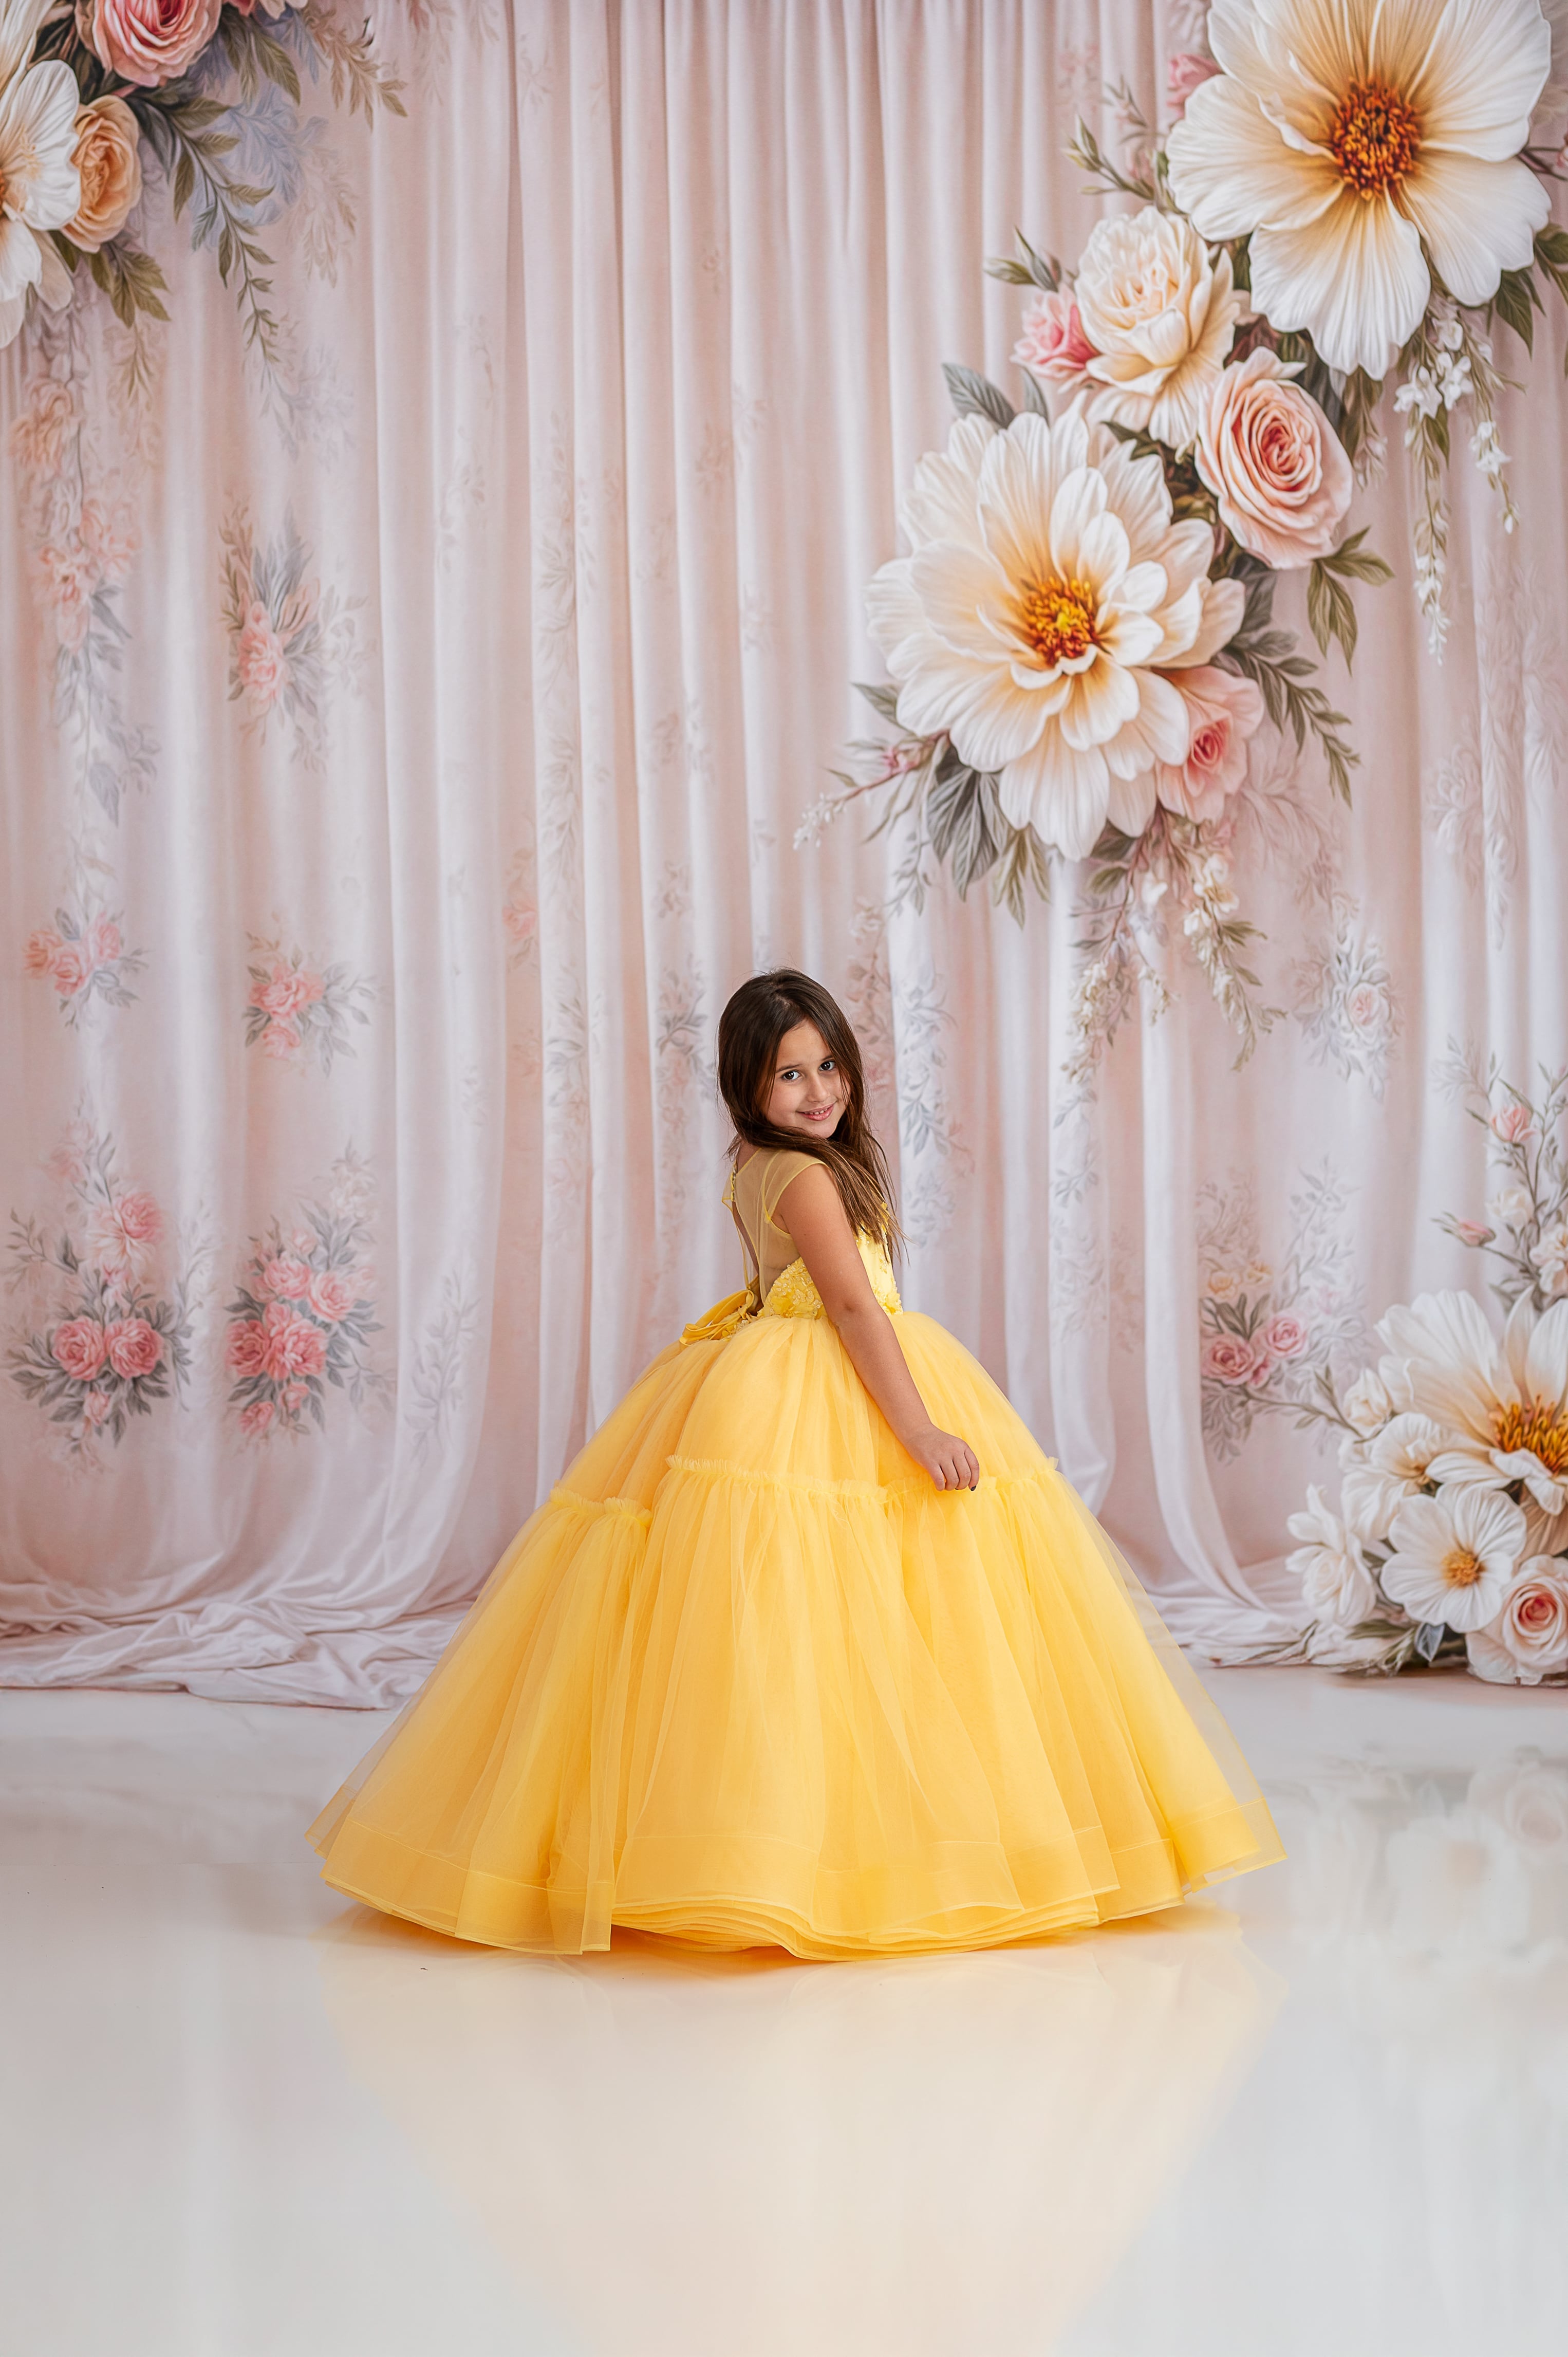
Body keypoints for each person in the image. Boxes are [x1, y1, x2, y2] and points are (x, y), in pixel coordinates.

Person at [311, 970, 1282, 1956]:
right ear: (748, 1088)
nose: (818, 1090)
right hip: (826, 1387)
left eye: (828, 1065)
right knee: (839, 1609)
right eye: (788, 1076)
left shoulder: (764, 1162)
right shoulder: (805, 1176)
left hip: (785, 1372)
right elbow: (854, 1308)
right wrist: (920, 1431)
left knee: (843, 1611)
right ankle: (848, 1850)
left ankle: (838, 1830)